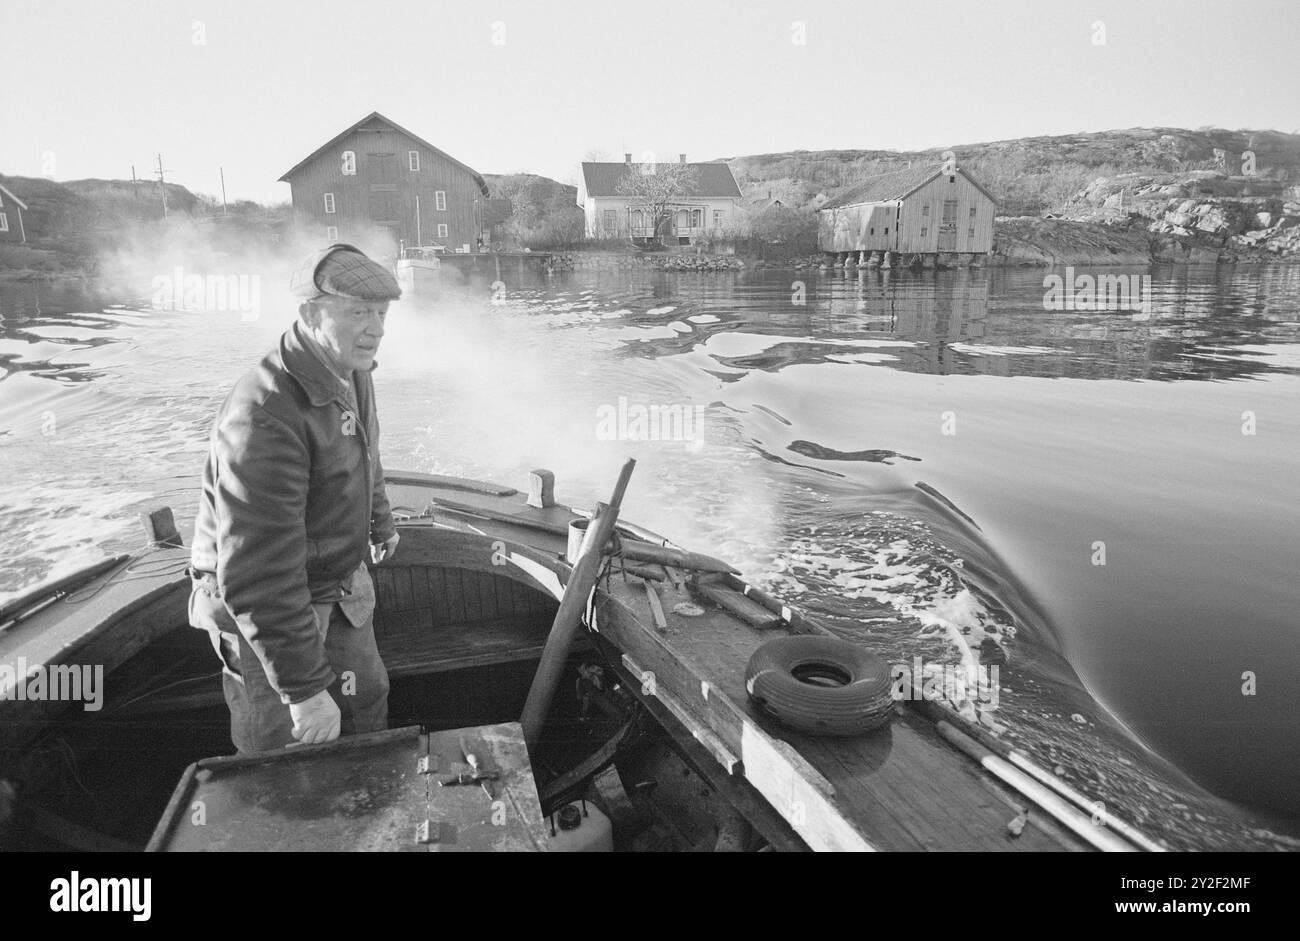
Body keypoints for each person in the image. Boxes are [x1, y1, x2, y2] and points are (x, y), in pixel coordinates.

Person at [188, 243, 401, 753]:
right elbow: (257, 570)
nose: (376, 327)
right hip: (268, 600)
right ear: (311, 313)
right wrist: (304, 692)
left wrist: (379, 521)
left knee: (365, 702)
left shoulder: (350, 366)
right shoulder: (263, 415)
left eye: (381, 312)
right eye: (357, 312)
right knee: (285, 750)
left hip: (336, 580)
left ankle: (373, 815)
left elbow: (363, 452)